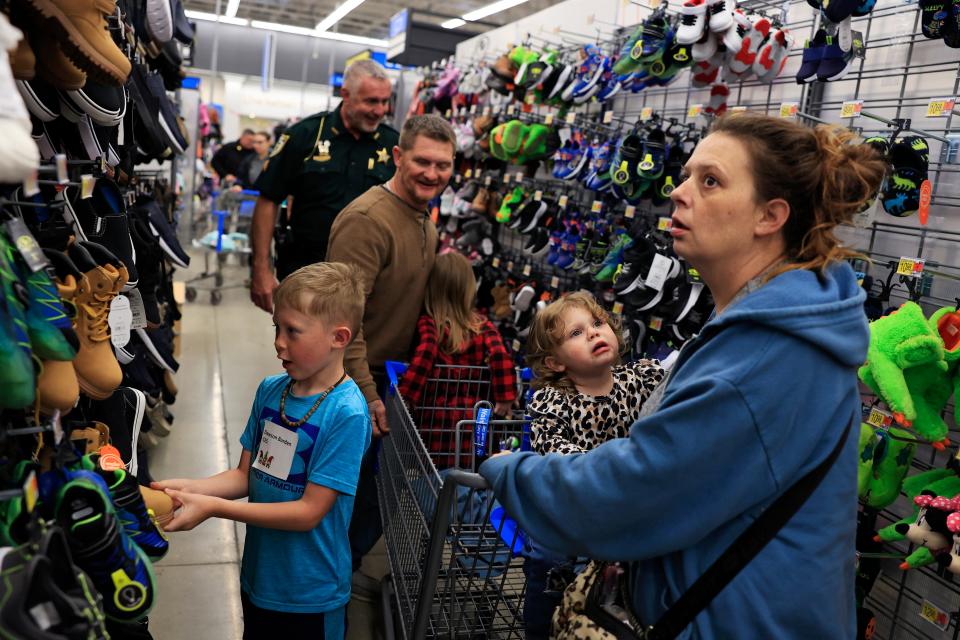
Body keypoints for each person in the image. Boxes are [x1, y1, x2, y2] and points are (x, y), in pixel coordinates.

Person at [478, 112, 886, 638]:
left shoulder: (765, 355)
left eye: (709, 180)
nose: (677, 191)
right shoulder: (765, 329)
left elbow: (628, 497)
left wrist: (511, 470)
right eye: (687, 174)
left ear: (770, 216)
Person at [152, 263, 372, 640]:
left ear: (339, 337)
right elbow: (243, 475)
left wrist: (213, 509)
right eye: (276, 328)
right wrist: (183, 488)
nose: (278, 342)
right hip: (259, 579)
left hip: (310, 595)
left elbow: (308, 512)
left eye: (292, 331)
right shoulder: (273, 390)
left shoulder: (347, 413)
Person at [325, 113, 455, 572]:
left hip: (395, 382)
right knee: (346, 507)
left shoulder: (423, 218)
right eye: (422, 161)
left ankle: (339, 578)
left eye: (443, 165)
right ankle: (323, 599)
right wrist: (365, 391)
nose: (432, 174)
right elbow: (342, 320)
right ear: (398, 156)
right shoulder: (367, 221)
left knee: (376, 501)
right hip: (357, 384)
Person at [520, 291, 664, 639]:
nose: (594, 333)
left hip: (626, 507)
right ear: (555, 363)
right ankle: (541, 629)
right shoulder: (552, 400)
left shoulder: (641, 380)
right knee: (548, 560)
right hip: (570, 508)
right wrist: (605, 470)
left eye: (598, 324)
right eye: (576, 333)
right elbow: (553, 447)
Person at [250, 59, 397, 311]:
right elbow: (268, 200)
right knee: (300, 348)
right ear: (345, 95)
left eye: (385, 102)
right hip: (306, 274)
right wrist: (261, 269)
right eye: (371, 101)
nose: (380, 110)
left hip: (368, 281)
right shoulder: (304, 136)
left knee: (355, 350)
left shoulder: (392, 145)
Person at [398, 251, 518, 469]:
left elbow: (425, 353)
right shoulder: (481, 325)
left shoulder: (430, 323)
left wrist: (406, 397)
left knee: (434, 478)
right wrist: (506, 396)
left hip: (436, 423)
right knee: (471, 470)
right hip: (473, 422)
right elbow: (500, 355)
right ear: (468, 289)